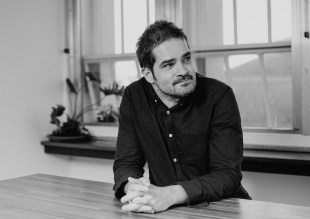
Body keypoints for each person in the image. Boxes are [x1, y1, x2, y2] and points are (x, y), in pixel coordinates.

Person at [113, 20, 250, 214]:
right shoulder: (133, 97)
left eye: (186, 59)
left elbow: (227, 175)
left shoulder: (219, 95)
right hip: (165, 210)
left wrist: (169, 195)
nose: (184, 71)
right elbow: (126, 163)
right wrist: (134, 190)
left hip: (223, 208)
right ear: (148, 74)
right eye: (169, 65)